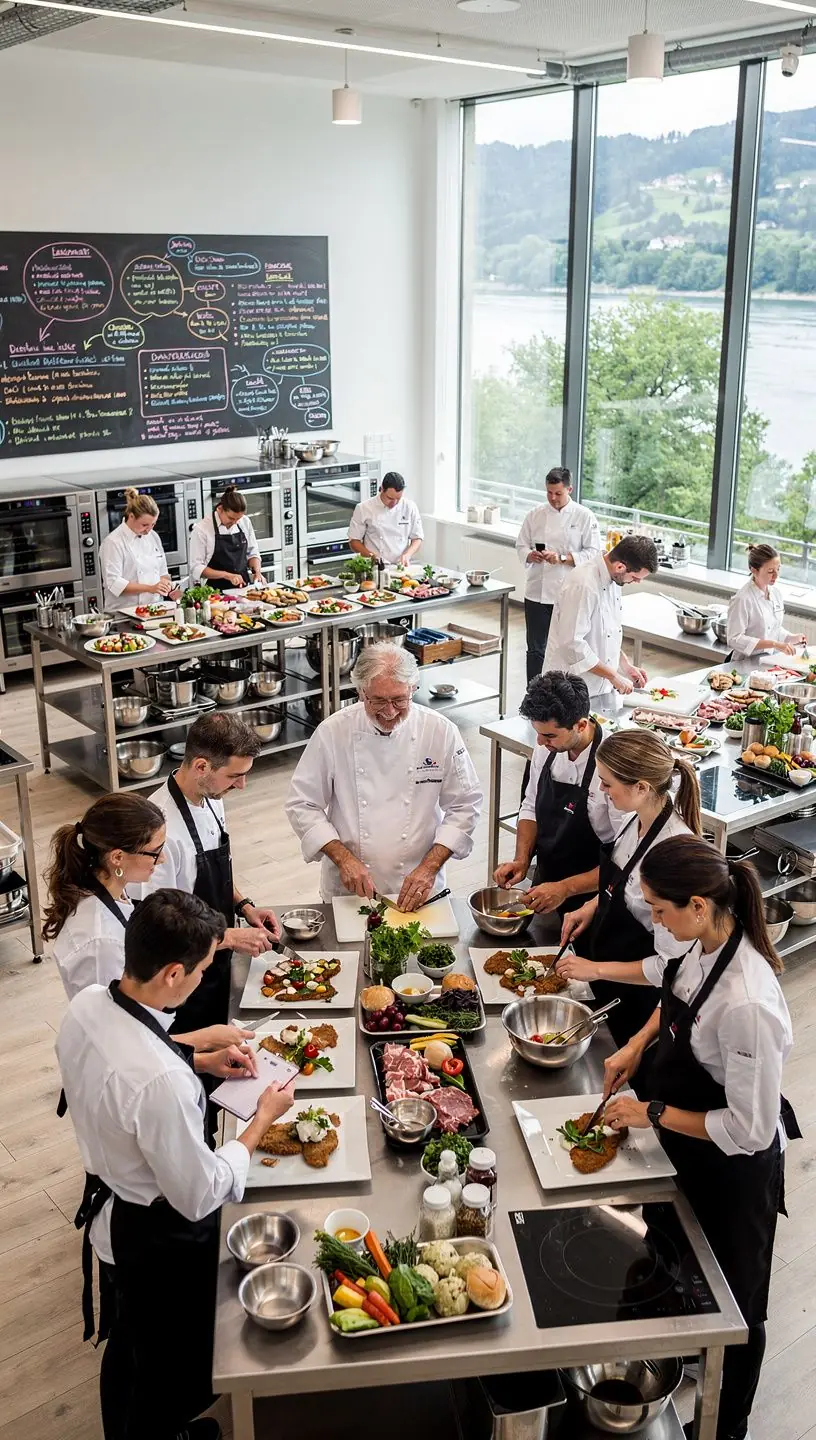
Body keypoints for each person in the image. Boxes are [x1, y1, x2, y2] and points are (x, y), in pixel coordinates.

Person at [57, 888, 296, 1440]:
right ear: (171, 973)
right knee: (169, 1370)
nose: (203, 978)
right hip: (157, 1233)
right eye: (203, 968)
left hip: (114, 1206)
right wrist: (262, 1119)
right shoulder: (159, 1084)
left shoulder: (90, 1002)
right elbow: (200, 1192)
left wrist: (200, 1057)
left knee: (131, 1342)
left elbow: (129, 1052)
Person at [601, 836, 798, 1440]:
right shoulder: (701, 941)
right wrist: (636, 1045)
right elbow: (676, 995)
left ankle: (725, 1425)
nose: (653, 921)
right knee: (673, 1252)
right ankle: (679, 1353)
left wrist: (652, 1112)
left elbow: (749, 1129)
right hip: (687, 1147)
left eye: (659, 910)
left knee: (739, 1309)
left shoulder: (749, 1004)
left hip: (735, 1173)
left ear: (698, 904)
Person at [286, 642, 481, 907]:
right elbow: (303, 803)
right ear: (360, 692)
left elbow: (465, 804)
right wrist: (343, 859)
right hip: (350, 888)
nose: (389, 712)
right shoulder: (333, 732)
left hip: (419, 885)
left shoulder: (440, 731)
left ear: (413, 689)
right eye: (377, 700)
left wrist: (430, 867)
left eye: (399, 700)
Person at [133, 711, 280, 1031]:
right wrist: (229, 936)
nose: (241, 785)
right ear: (201, 766)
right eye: (234, 776)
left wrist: (243, 905)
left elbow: (212, 872)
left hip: (214, 957)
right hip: (181, 973)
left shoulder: (212, 795)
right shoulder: (161, 832)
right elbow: (161, 927)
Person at [557, 729, 701, 1047]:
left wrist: (595, 969)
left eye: (607, 782)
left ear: (641, 787)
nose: (600, 788)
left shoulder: (672, 857)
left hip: (642, 1001)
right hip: (609, 978)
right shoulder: (633, 820)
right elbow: (622, 883)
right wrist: (591, 906)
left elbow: (670, 967)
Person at [493, 672, 621, 916]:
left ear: (581, 725)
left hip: (597, 896)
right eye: (537, 733)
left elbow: (625, 857)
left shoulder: (613, 765)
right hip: (547, 883)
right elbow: (530, 806)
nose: (540, 742)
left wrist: (565, 889)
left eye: (550, 735)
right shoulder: (546, 747)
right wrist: (522, 860)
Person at [544, 535, 658, 697]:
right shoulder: (583, 584)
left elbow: (607, 634)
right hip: (568, 687)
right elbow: (571, 644)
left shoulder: (614, 579)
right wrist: (613, 676)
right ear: (620, 567)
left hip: (598, 687)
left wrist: (625, 667)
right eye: (634, 577)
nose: (636, 582)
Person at [515, 467, 601, 682]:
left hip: (567, 592)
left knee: (565, 647)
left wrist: (562, 558)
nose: (553, 498)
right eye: (549, 493)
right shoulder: (535, 515)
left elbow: (593, 552)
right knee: (535, 648)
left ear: (569, 489)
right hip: (536, 591)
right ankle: (533, 692)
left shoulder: (584, 516)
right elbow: (520, 544)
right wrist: (529, 555)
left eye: (558, 493)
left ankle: (563, 694)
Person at [99, 488, 178, 611]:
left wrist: (166, 585)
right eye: (144, 525)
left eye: (153, 524)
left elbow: (163, 573)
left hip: (155, 609)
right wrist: (150, 588)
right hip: (124, 612)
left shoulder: (153, 537)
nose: (148, 530)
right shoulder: (113, 542)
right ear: (131, 516)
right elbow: (115, 585)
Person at [727, 543, 806, 661]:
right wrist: (773, 644)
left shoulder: (776, 594)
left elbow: (773, 629)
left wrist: (792, 638)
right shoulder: (742, 599)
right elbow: (734, 639)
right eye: (770, 571)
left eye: (778, 569)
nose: (776, 575)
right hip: (744, 663)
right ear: (754, 570)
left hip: (768, 661)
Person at [188, 484, 264, 590]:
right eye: (231, 518)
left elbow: (252, 553)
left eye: (238, 519)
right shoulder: (202, 530)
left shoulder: (244, 521)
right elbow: (196, 568)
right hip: (214, 593)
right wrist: (227, 575)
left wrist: (257, 572)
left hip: (243, 589)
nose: (235, 522)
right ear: (220, 509)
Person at [348, 471, 424, 566]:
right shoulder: (364, 508)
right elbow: (354, 541)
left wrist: (407, 555)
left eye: (398, 499)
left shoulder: (410, 507)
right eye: (390, 498)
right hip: (376, 566)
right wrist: (371, 556)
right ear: (382, 489)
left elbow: (417, 538)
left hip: (401, 566)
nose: (394, 503)